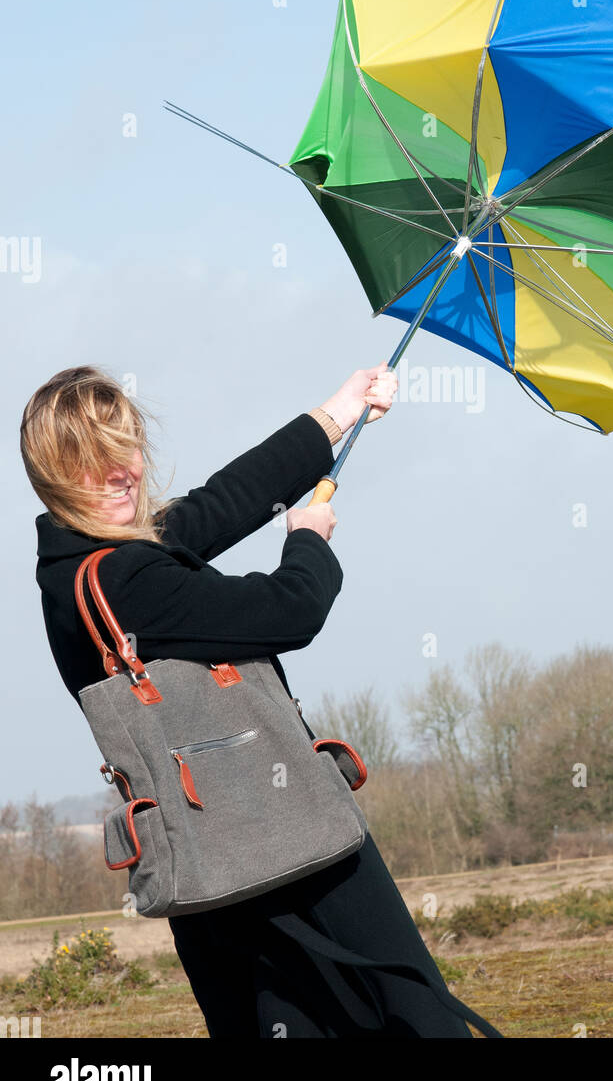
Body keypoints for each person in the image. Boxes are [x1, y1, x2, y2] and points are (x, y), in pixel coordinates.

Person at [20, 365, 501, 1039]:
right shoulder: (125, 578)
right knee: (415, 1016)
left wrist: (338, 413)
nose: (118, 472)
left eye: (123, 449)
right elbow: (287, 611)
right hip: (294, 845)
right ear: (53, 477)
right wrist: (308, 541)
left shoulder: (74, 571)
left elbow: (222, 501)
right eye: (90, 462)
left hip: (208, 868)